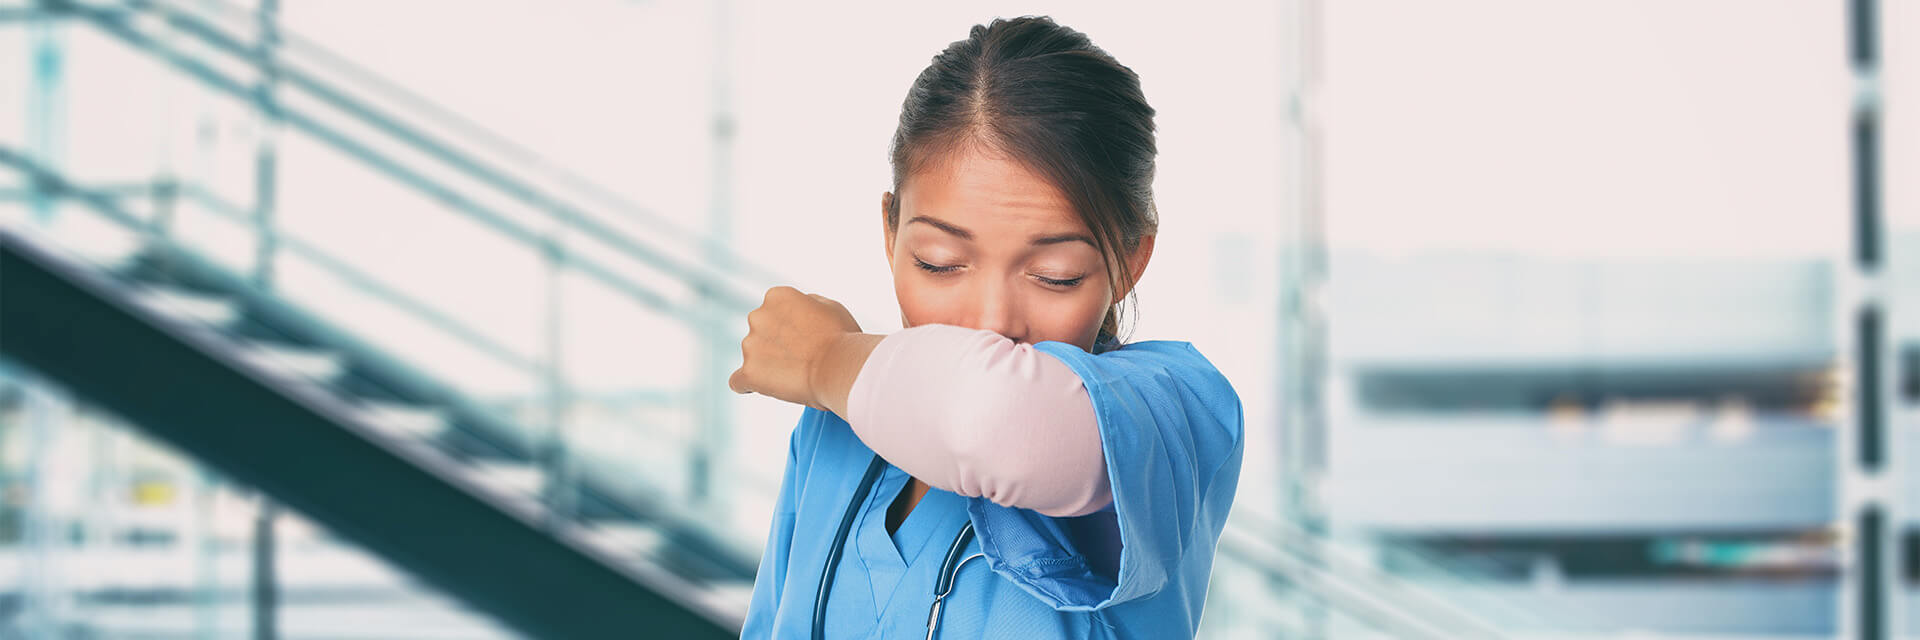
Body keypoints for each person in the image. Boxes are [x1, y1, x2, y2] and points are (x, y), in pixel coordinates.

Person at [728, 15, 1243, 639]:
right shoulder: (834, 427)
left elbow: (993, 417)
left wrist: (822, 360)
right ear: (890, 232)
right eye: (939, 263)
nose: (990, 325)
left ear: (1129, 261)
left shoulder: (1172, 416)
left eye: (1054, 275)